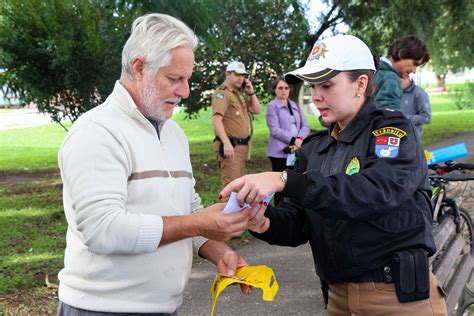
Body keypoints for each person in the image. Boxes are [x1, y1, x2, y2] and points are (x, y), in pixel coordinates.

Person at [221, 34, 447, 315]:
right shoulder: (315, 149)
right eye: (313, 85)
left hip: (397, 298)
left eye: (327, 84)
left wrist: (284, 179)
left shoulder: (392, 132)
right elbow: (299, 222)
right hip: (337, 298)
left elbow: (374, 192)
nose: (316, 95)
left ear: (360, 84)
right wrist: (262, 220)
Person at [56, 13, 261, 315]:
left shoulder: (174, 134)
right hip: (102, 309)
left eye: (187, 79)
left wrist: (219, 251)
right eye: (175, 78)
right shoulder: (97, 132)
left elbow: (187, 210)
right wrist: (200, 223)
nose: (185, 91)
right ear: (139, 68)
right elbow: (103, 229)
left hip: (164, 307)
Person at [211, 61, 261, 188]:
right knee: (232, 188)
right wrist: (226, 143)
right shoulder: (222, 93)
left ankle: (236, 208)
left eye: (243, 75)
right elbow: (216, 120)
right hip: (231, 147)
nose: (241, 78)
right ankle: (227, 208)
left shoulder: (238, 94)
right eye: (237, 74)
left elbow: (257, 110)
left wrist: (251, 92)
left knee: (239, 188)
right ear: (228, 74)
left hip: (241, 148)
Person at [266, 76, 310, 205]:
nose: (283, 90)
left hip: (296, 149)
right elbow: (274, 129)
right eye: (280, 88)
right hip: (279, 152)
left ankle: (292, 208)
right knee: (278, 183)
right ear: (275, 90)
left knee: (294, 180)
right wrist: (293, 140)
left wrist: (300, 139)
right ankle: (278, 209)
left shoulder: (295, 105)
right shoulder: (272, 106)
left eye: (286, 88)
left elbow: (305, 125)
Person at [374, 35, 430, 110]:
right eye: (415, 64)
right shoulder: (391, 80)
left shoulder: (373, 69)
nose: (414, 71)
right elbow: (389, 117)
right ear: (401, 54)